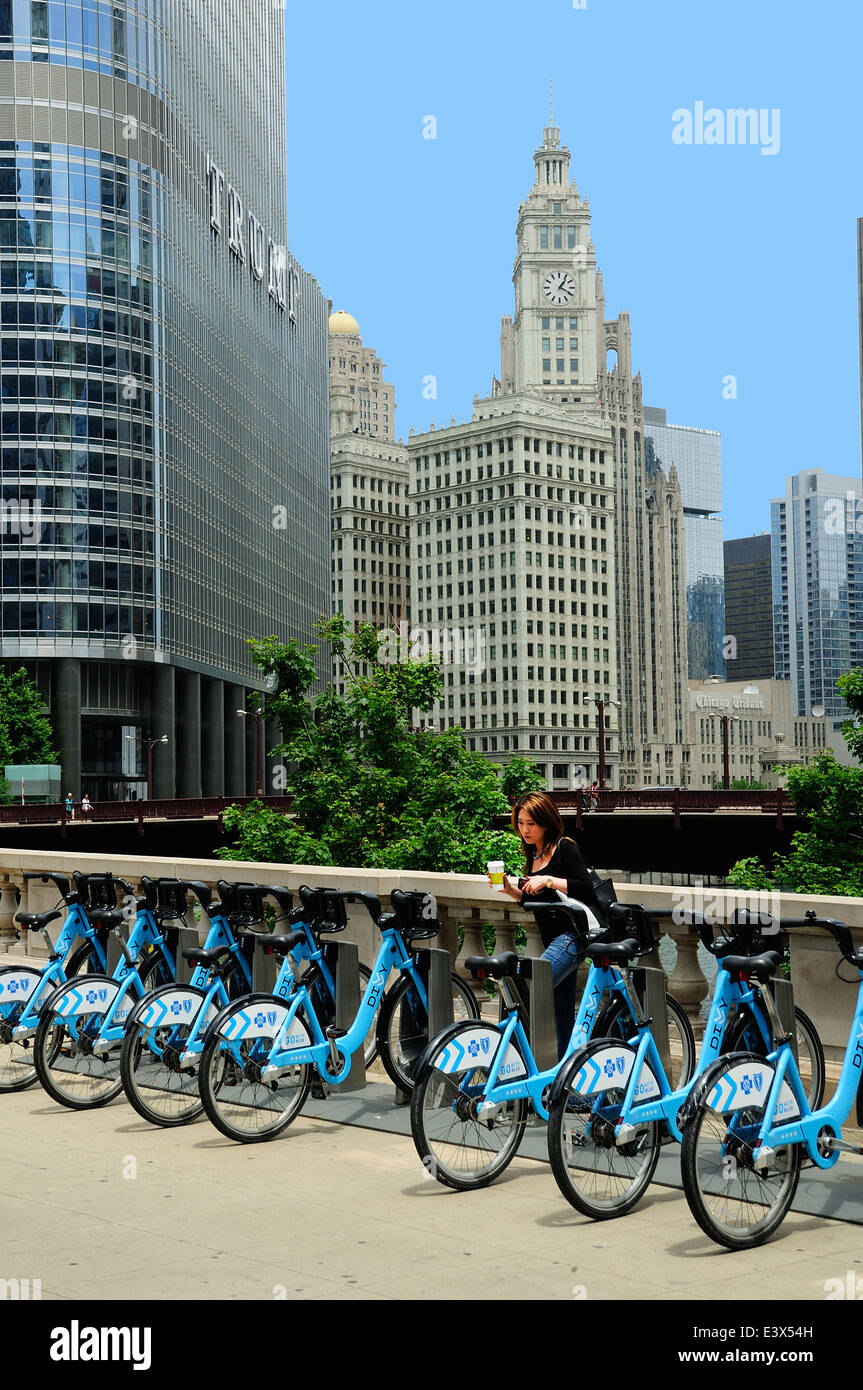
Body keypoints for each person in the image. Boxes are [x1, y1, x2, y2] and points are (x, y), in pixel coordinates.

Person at [492, 791, 605, 1059]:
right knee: (561, 1016)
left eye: (531, 823)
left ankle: (513, 1065)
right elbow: (536, 902)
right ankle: (569, 1085)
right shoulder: (534, 853)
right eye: (520, 823)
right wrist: (510, 889)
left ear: (546, 822)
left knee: (529, 990)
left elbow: (585, 888)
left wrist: (548, 880)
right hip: (553, 939)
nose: (525, 830)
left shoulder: (564, 847)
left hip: (571, 937)